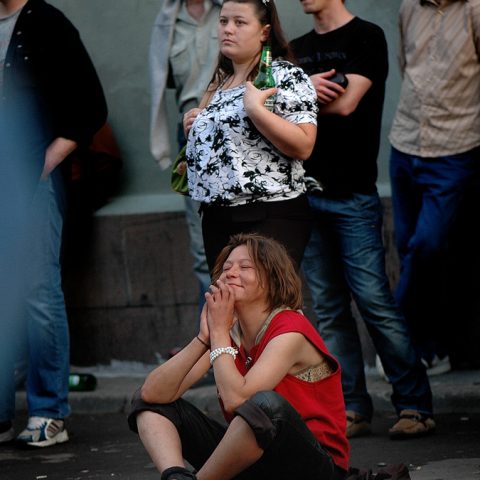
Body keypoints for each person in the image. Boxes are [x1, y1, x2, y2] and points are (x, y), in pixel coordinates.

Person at [291, 0, 434, 439]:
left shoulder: (367, 36)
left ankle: (413, 404)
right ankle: (353, 408)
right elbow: (276, 111)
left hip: (353, 196)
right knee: (330, 310)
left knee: (374, 302)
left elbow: (349, 102)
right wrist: (301, 93)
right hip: (307, 196)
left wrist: (296, 99)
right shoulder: (293, 49)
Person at [128, 233, 349, 480]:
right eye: (226, 268)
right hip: (256, 463)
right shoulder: (229, 331)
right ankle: (176, 476)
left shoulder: (290, 329)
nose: (231, 273)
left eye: (245, 267)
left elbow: (237, 400)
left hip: (312, 468)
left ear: (273, 280)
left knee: (266, 404)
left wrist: (219, 333)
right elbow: (152, 394)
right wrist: (204, 338)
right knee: (150, 404)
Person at [0, 0, 107, 447]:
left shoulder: (45, 22)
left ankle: (48, 412)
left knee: (38, 293)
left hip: (30, 182)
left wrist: (44, 163)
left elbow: (89, 106)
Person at [184, 0, 318, 272]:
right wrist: (198, 128)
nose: (228, 29)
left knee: (268, 309)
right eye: (223, 21)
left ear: (264, 33)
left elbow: (304, 145)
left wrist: (256, 109)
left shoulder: (285, 75)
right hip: (217, 216)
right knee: (229, 310)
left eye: (239, 22)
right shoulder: (219, 83)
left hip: (270, 212)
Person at [388, 0, 480, 375]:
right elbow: (405, 66)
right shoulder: (409, 7)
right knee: (407, 245)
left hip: (455, 147)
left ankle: (396, 340)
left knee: (427, 246)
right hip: (405, 141)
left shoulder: (474, 10)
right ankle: (426, 348)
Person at [150, 0, 221, 306]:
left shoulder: (228, 12)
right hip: (190, 132)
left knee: (243, 239)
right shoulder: (168, 20)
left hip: (233, 127)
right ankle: (211, 337)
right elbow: (161, 79)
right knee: (202, 247)